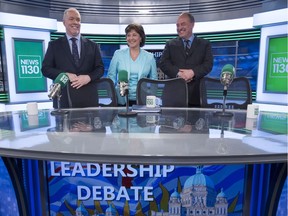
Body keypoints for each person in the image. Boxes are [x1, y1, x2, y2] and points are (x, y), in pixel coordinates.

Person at [42, 7, 104, 108]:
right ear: (64, 22)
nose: (75, 22)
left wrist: (88, 77)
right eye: (71, 19)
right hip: (64, 100)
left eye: (78, 20)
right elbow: (45, 69)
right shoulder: (54, 45)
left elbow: (100, 69)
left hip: (88, 99)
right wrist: (64, 75)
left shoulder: (93, 45)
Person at [159, 12, 213, 107]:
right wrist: (179, 74)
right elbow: (163, 63)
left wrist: (193, 72)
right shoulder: (170, 44)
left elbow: (208, 64)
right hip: (173, 95)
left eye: (183, 24)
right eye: (178, 25)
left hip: (196, 96)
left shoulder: (205, 44)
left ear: (192, 24)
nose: (179, 28)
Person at [107, 23, 158, 106]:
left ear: (141, 38)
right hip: (121, 99)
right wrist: (111, 98)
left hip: (142, 100)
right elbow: (111, 78)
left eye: (134, 35)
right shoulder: (118, 54)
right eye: (128, 35)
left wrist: (151, 104)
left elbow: (154, 82)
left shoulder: (149, 57)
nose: (131, 38)